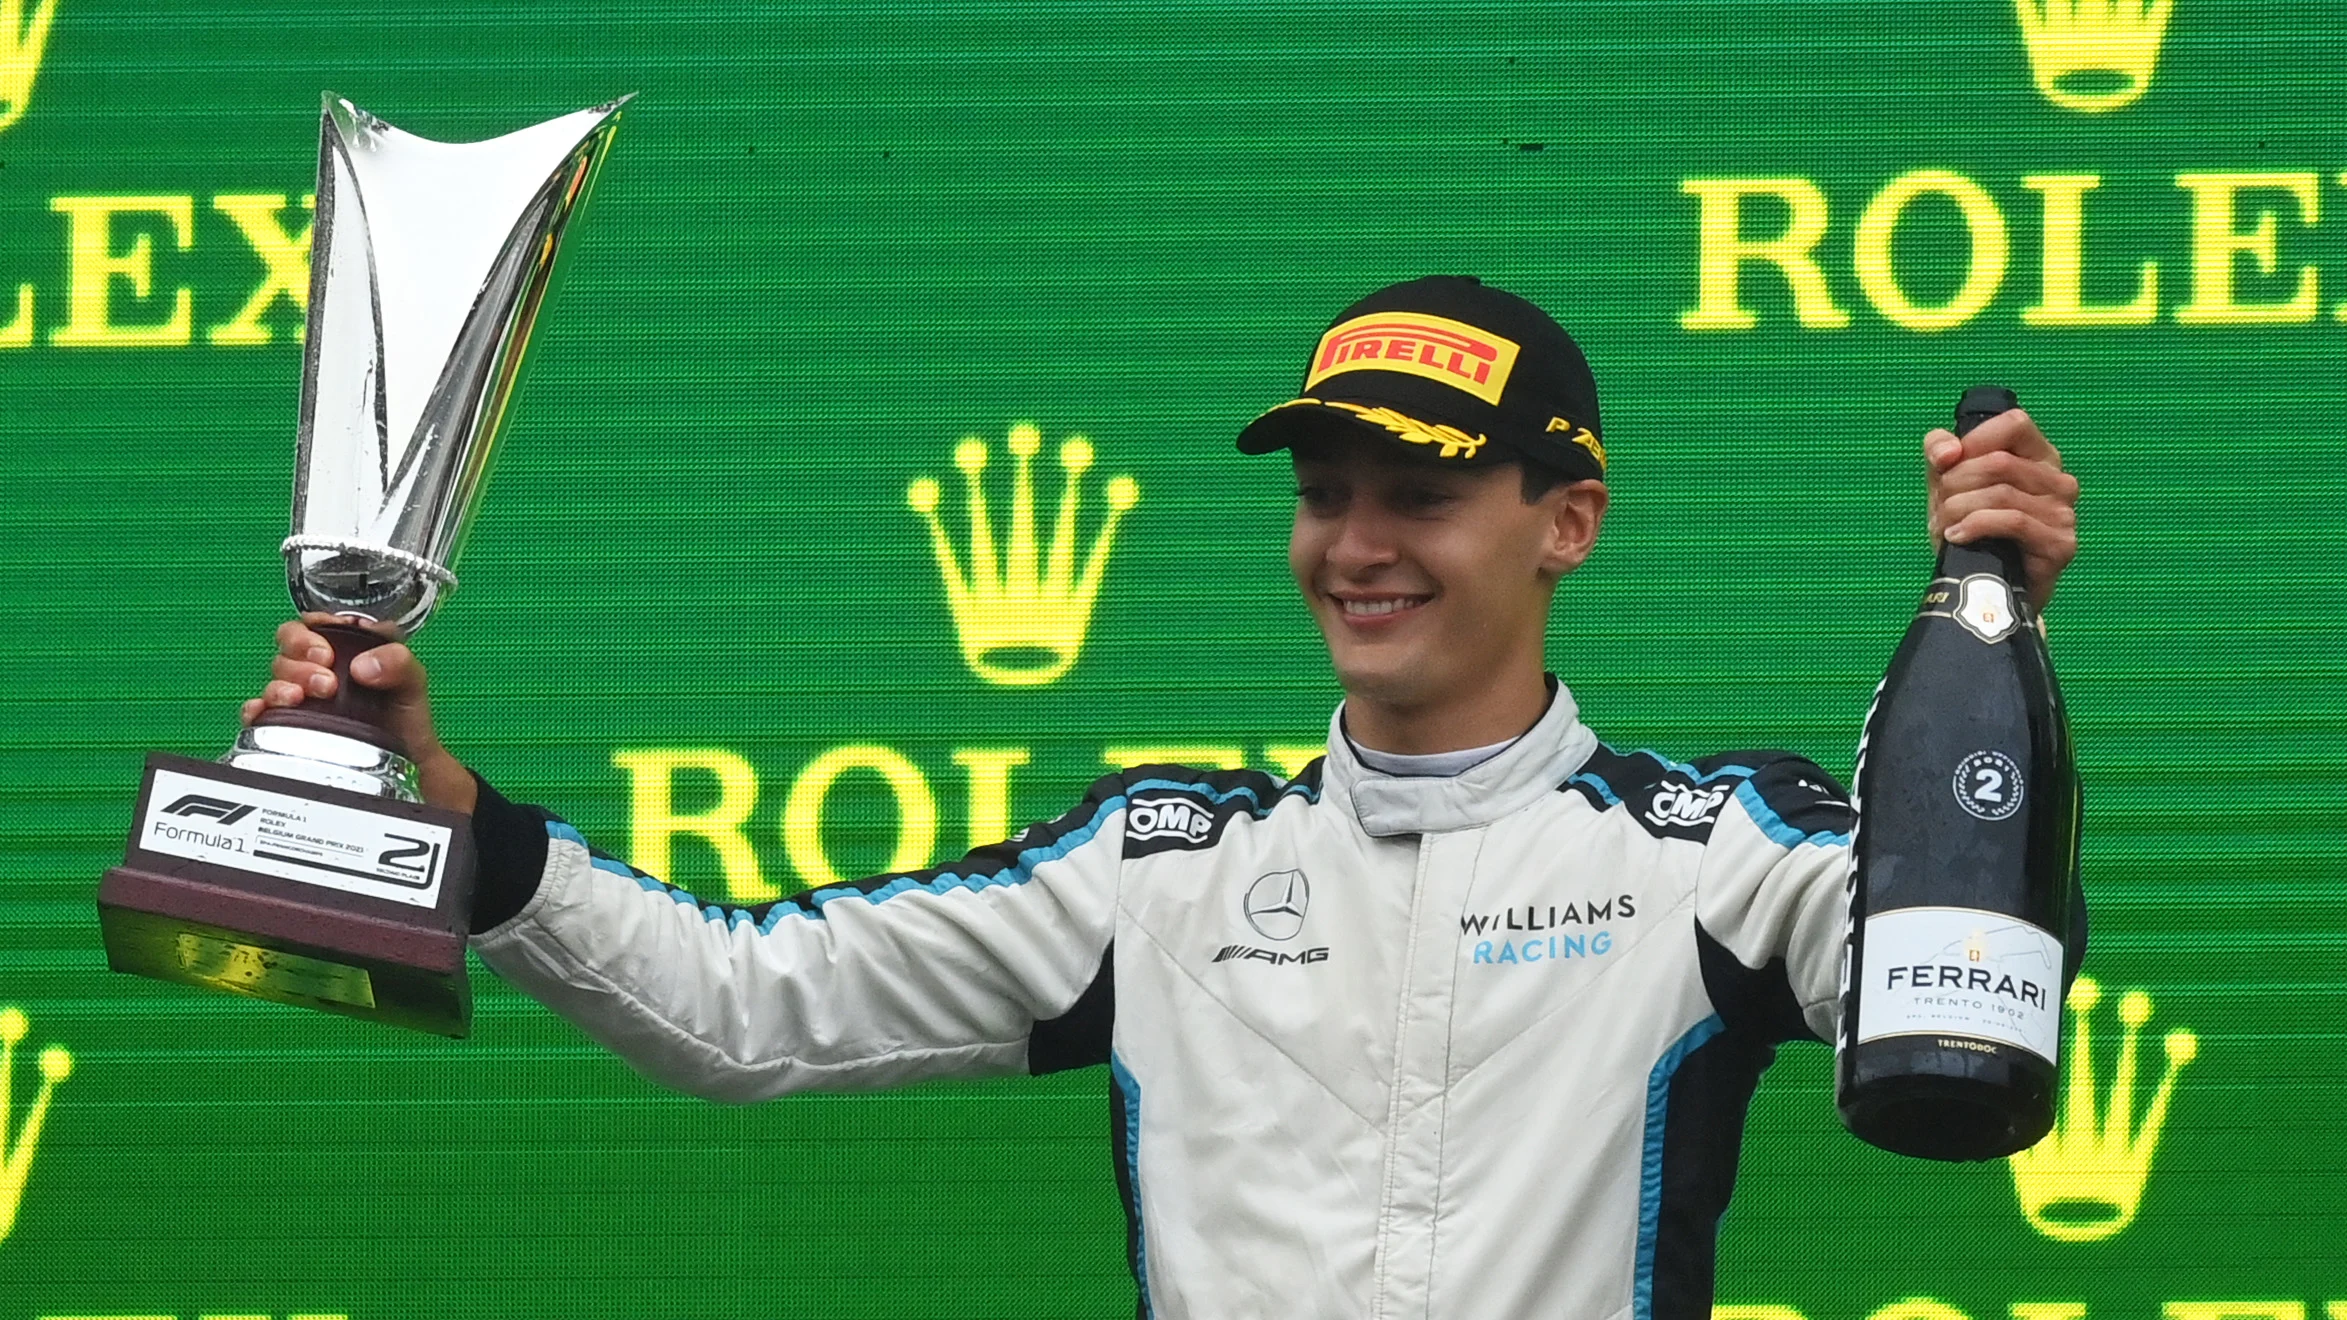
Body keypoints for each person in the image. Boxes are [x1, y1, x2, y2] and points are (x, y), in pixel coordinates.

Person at [244, 276, 2084, 1319]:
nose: (1355, 544)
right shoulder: (1155, 863)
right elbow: (742, 1009)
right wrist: (458, 816)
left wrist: (1989, 607)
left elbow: (1956, 976)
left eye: (1421, 494)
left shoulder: (1714, 849)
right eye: (1322, 494)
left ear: (1566, 523)